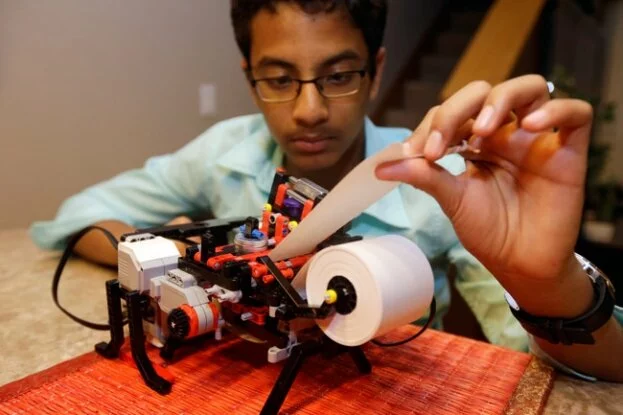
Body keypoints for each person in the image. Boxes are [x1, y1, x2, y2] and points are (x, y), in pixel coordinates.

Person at [30, 0, 622, 381]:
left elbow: (565, 374)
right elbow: (77, 217)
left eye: (338, 76)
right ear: (249, 77)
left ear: (378, 71)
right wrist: (188, 263)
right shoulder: (221, 155)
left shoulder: (446, 183)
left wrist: (545, 284)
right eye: (280, 79)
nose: (309, 111)